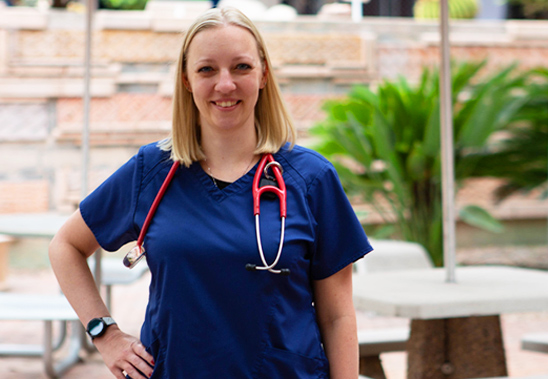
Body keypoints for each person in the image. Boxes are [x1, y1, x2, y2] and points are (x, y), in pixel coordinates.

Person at [48, 7, 372, 379]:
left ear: (264, 74)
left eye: (241, 67)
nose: (225, 85)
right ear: (186, 80)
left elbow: (338, 315)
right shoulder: (152, 171)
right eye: (206, 69)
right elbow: (66, 246)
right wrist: (105, 334)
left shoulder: (311, 179)